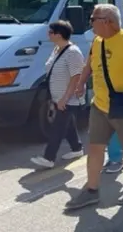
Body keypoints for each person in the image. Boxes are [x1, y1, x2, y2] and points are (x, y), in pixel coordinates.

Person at [65, 4, 123, 210]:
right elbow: (89, 63)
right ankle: (91, 190)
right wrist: (81, 82)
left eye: (93, 19)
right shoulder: (98, 42)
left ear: (107, 21)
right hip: (100, 105)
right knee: (95, 147)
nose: (90, 23)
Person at [30, 20, 86, 168]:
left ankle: (49, 158)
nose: (48, 34)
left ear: (59, 34)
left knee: (58, 127)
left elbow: (76, 76)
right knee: (68, 125)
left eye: (51, 32)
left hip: (68, 98)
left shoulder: (73, 52)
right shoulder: (56, 49)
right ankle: (77, 148)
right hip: (57, 96)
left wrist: (65, 98)